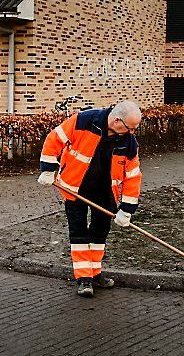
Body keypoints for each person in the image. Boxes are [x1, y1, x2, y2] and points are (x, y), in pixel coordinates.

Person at [37, 100, 142, 297]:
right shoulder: (85, 120)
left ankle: (95, 273)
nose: (133, 132)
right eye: (131, 128)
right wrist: (48, 169)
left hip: (105, 192)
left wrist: (127, 209)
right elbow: (55, 138)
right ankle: (83, 278)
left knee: (99, 233)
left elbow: (133, 175)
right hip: (74, 188)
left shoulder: (129, 142)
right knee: (78, 233)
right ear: (117, 121)